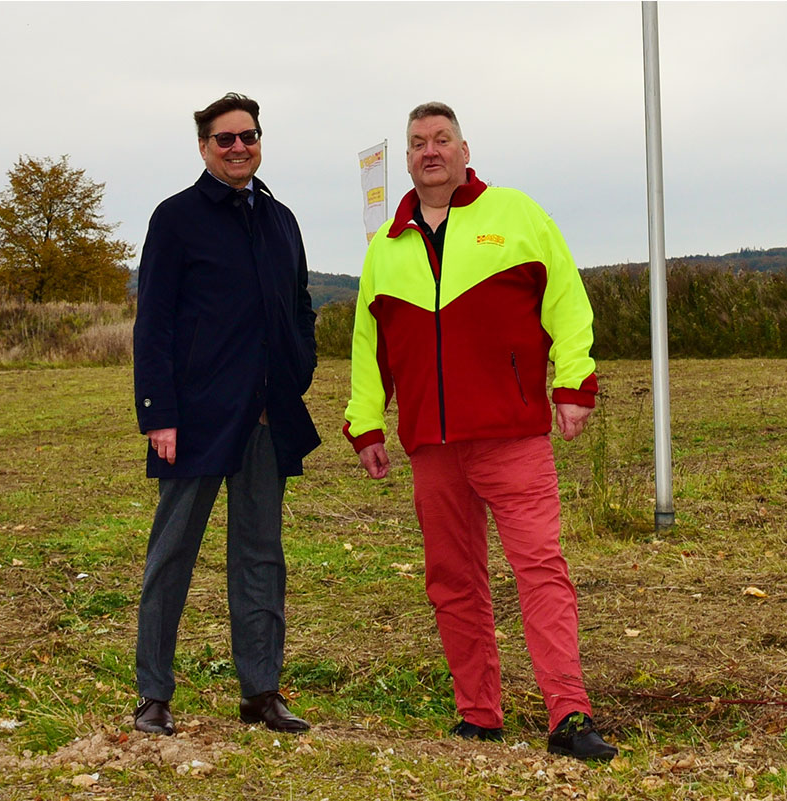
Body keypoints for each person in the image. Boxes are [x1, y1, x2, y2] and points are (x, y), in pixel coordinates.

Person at [343, 102, 616, 761]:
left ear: (465, 149)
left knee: (540, 570)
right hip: (433, 447)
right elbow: (367, 343)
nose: (429, 151)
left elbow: (568, 301)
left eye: (441, 140)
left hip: (511, 435)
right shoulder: (386, 245)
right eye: (417, 143)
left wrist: (573, 382)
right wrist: (367, 422)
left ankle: (568, 715)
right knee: (452, 578)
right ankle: (479, 714)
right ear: (407, 159)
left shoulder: (516, 215)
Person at [132, 92, 320, 736]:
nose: (238, 147)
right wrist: (158, 413)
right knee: (172, 555)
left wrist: (298, 371)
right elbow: (152, 322)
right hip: (194, 421)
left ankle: (261, 693)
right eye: (225, 139)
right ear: (205, 147)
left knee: (261, 556)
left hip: (267, 419)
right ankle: (154, 695)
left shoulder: (280, 219)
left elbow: (298, 306)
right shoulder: (176, 218)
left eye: (249, 136)